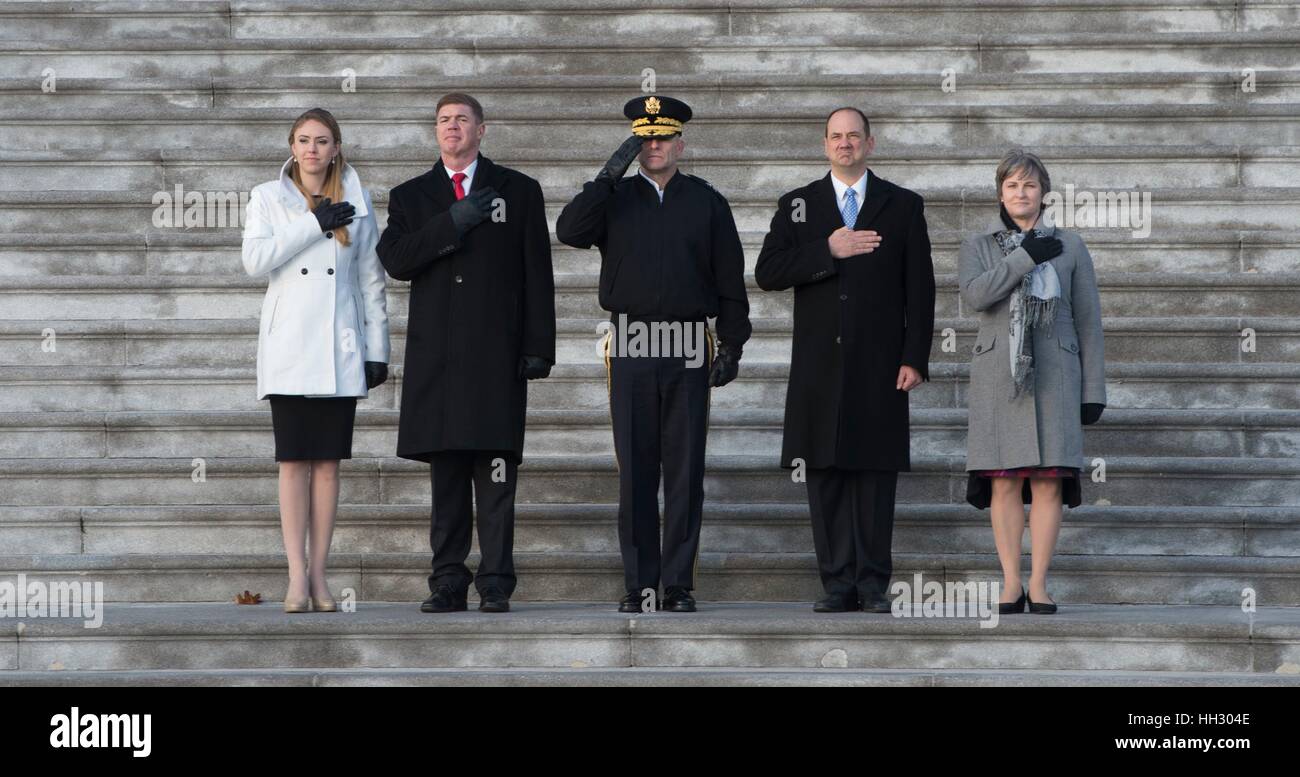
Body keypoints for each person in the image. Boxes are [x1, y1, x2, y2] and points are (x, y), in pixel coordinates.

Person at [556, 95, 751, 613]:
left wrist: (733, 342)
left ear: (680, 143)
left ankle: (678, 584)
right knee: (637, 468)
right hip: (633, 341)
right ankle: (640, 583)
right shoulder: (614, 198)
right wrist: (605, 175)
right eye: (643, 138)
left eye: (662, 137)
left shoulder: (707, 201)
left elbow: (730, 277)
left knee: (685, 470)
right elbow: (569, 231)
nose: (653, 145)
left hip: (688, 341)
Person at [377, 93, 555, 614]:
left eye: (461, 120)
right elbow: (397, 259)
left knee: (497, 476)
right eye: (443, 121)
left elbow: (536, 274)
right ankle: (448, 580)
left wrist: (538, 344)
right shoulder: (412, 196)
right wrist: (451, 221)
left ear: (482, 129)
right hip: (439, 360)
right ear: (436, 132)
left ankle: (496, 580)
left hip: (497, 357)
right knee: (448, 476)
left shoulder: (518, 191)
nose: (452, 128)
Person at [755, 107, 935, 613]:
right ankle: (837, 583)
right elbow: (766, 272)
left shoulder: (902, 205)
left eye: (854, 136)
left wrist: (914, 357)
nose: (845, 144)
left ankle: (874, 584)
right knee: (827, 474)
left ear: (870, 144)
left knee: (874, 475)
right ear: (824, 144)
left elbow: (919, 289)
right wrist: (826, 249)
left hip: (881, 364)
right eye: (836, 136)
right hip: (818, 366)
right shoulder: (798, 205)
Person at [242, 107, 390, 613]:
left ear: (335, 147)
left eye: (322, 141)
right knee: (292, 463)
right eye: (303, 140)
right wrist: (312, 223)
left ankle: (321, 576)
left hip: (338, 347)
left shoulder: (356, 194)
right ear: (291, 146)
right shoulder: (268, 196)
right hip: (288, 348)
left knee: (328, 464)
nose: (312, 149)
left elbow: (371, 278)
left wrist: (377, 350)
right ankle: (295, 577)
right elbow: (255, 261)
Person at [959, 149, 1107, 615]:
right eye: (1011, 186)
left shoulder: (1071, 245)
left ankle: (1039, 583)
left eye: (1029, 185)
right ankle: (1009, 582)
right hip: (999, 377)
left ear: (1043, 192)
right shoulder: (978, 244)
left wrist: (1093, 390)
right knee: (1004, 483)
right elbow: (977, 296)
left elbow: (1088, 320)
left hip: (1057, 376)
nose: (1020, 194)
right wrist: (1024, 258)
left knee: (1047, 483)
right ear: (999, 193)